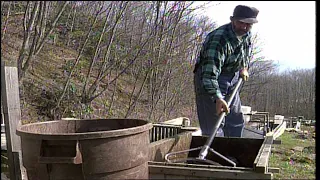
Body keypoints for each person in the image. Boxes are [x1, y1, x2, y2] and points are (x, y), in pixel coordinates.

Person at [193, 5, 259, 137]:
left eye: (249, 24)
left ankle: (232, 156)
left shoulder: (245, 33)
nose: (245, 27)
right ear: (232, 20)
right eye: (241, 23)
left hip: (232, 78)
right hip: (209, 80)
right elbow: (209, 75)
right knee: (214, 127)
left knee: (235, 121)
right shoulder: (218, 40)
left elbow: (245, 51)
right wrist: (217, 97)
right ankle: (212, 156)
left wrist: (243, 67)